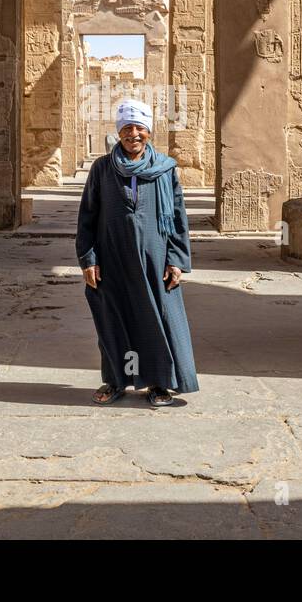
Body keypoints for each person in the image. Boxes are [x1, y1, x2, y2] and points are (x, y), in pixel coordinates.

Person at [76, 98, 199, 407]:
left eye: (139, 128)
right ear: (119, 132)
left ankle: (158, 384)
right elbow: (88, 216)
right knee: (113, 321)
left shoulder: (165, 169)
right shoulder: (103, 168)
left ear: (148, 131)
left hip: (155, 261)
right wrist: (88, 259)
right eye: (127, 128)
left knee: (157, 321)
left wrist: (177, 260)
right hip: (113, 260)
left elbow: (179, 217)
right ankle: (116, 380)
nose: (133, 134)